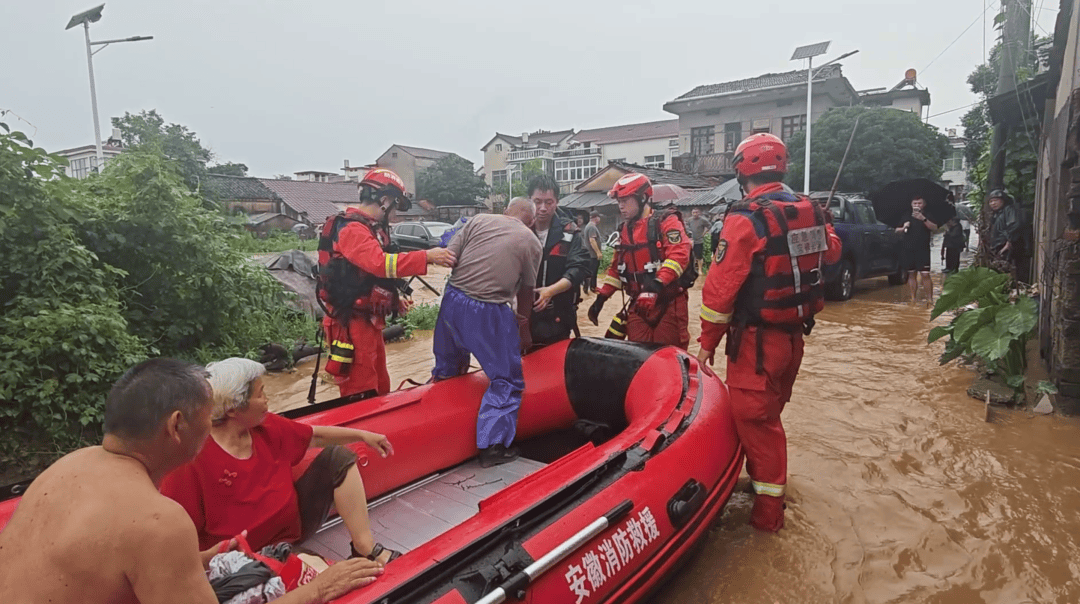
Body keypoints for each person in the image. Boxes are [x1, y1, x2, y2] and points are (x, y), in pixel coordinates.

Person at [0, 359, 382, 604]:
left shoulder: (64, 468)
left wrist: (199, 559)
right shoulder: (158, 521)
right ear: (177, 426)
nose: (212, 424)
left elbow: (105, 564)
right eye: (206, 417)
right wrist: (321, 588)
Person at [696, 133, 841, 533]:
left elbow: (720, 289)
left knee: (759, 427)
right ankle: (760, 492)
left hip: (756, 347)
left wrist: (707, 342)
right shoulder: (809, 211)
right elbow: (832, 253)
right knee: (766, 420)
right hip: (793, 341)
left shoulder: (746, 218)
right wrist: (822, 221)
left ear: (741, 169)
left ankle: (767, 520)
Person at [160, 358, 397, 563]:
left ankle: (364, 547)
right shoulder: (192, 459)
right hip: (248, 555)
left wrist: (362, 435)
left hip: (291, 528)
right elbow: (177, 530)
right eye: (261, 393)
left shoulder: (266, 425)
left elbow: (316, 436)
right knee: (327, 576)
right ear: (233, 409)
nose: (267, 399)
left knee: (338, 457)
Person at [317, 168, 455, 397]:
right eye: (395, 206)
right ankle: (362, 432)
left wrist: (393, 299)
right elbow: (380, 264)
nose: (395, 216)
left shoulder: (369, 229)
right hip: (350, 324)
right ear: (384, 200)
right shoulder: (353, 229)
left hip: (366, 320)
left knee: (380, 383)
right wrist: (427, 257)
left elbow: (372, 274)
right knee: (361, 389)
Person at [431, 198, 542, 467]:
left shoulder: (479, 219)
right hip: (489, 310)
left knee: (448, 366)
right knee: (506, 380)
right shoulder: (531, 241)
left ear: (505, 212)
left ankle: (439, 426)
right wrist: (523, 324)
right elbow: (527, 290)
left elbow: (449, 256)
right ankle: (493, 446)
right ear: (532, 221)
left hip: (452, 300)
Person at [587, 173, 693, 349]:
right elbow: (616, 269)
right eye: (618, 201)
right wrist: (602, 298)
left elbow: (679, 255)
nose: (620, 206)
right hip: (639, 305)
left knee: (668, 357)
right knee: (638, 357)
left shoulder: (666, 222)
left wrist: (657, 284)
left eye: (625, 200)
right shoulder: (624, 230)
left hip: (668, 303)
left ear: (643, 198)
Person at [528, 174, 591, 347]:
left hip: (558, 315)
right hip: (522, 315)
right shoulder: (519, 228)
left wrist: (550, 291)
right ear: (529, 201)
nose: (542, 208)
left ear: (556, 202)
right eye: (537, 201)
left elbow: (578, 268)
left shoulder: (570, 232)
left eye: (549, 202)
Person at [895, 197, 938, 304]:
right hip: (908, 249)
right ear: (911, 204)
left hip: (923, 249)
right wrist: (903, 227)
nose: (917, 205)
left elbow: (934, 228)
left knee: (925, 275)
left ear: (924, 204)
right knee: (911, 274)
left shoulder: (928, 215)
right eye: (915, 203)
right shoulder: (906, 215)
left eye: (919, 203)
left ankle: (930, 299)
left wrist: (923, 218)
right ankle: (913, 298)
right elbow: (896, 231)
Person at [986, 189, 1028, 281]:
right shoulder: (996, 214)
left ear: (1003, 200)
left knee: (1011, 272)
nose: (993, 203)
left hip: (1008, 248)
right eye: (991, 201)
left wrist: (1009, 242)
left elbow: (1015, 225)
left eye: (996, 200)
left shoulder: (1009, 210)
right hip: (999, 248)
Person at [581, 211, 604, 293]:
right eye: (599, 217)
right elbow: (592, 240)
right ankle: (592, 287)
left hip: (590, 253)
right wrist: (598, 252)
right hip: (592, 254)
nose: (600, 219)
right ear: (596, 217)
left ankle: (589, 286)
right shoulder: (592, 227)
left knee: (591, 271)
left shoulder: (589, 226)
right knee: (593, 271)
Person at [685, 207, 712, 273]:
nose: (695, 214)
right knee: (692, 256)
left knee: (699, 256)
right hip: (691, 240)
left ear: (699, 213)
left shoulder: (702, 220)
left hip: (699, 240)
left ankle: (700, 269)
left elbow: (709, 226)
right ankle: (694, 269)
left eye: (696, 212)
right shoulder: (689, 220)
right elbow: (686, 227)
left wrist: (704, 232)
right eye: (693, 213)